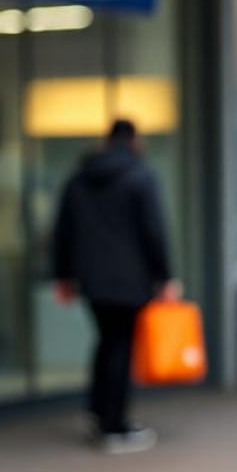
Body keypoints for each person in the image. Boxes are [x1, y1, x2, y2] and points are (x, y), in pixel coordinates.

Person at [52, 119, 178, 454]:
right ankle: (114, 425)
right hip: (129, 279)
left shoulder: (79, 177)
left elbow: (63, 230)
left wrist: (63, 275)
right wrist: (164, 277)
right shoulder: (140, 175)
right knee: (120, 346)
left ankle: (98, 411)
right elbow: (154, 230)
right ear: (134, 140)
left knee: (107, 342)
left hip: (91, 279)